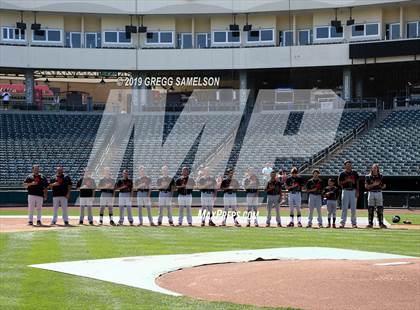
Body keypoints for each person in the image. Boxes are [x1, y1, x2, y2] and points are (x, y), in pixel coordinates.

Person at [338, 160, 359, 228]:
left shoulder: (354, 173)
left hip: (353, 190)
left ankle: (354, 223)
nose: (348, 166)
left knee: (353, 208)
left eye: (350, 165)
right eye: (347, 165)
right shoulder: (342, 173)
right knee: (344, 207)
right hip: (345, 190)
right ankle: (342, 222)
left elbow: (357, 183)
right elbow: (339, 183)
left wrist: (357, 191)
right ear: (345, 166)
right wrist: (346, 181)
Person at [365, 164, 387, 229]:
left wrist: (380, 186)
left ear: (378, 169)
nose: (374, 169)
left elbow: (384, 186)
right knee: (370, 208)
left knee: (380, 208)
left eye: (376, 168)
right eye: (373, 168)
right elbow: (366, 186)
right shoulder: (368, 176)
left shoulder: (381, 176)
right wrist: (373, 184)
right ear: (371, 169)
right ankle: (370, 223)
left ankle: (381, 223)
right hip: (371, 192)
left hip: (379, 192)